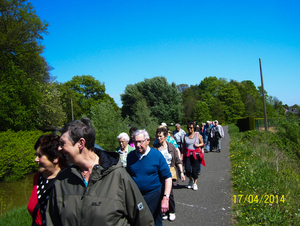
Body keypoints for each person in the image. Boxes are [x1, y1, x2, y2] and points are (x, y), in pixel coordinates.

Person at [46, 118, 154, 226]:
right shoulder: (62, 180)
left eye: (63, 143)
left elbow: (143, 220)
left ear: (81, 143)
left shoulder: (118, 176)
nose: (59, 148)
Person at [127, 129, 172, 226]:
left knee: (155, 222)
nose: (138, 145)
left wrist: (166, 198)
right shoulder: (130, 156)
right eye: (135, 142)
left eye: (140, 142)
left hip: (154, 195)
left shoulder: (156, 155)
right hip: (136, 196)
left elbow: (168, 177)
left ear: (147, 140)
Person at [28, 134, 68, 226]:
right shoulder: (37, 177)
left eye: (40, 156)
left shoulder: (67, 179)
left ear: (55, 158)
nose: (35, 159)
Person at [153, 126, 185, 221]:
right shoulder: (155, 149)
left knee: (169, 193)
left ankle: (171, 211)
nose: (159, 138)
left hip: (169, 173)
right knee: (160, 192)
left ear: (166, 136)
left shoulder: (171, 147)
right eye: (157, 136)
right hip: (158, 174)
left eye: (161, 136)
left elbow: (177, 161)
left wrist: (182, 172)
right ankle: (164, 211)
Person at [182, 122, 204, 191]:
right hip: (188, 154)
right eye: (188, 128)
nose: (189, 129)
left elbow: (202, 143)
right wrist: (181, 154)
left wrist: (198, 145)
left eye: (191, 128)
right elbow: (184, 146)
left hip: (195, 154)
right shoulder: (185, 136)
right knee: (187, 169)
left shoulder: (197, 135)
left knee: (195, 170)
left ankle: (195, 183)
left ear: (194, 128)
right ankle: (190, 180)